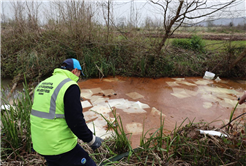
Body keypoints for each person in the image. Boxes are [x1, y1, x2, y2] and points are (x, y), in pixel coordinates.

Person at [30, 58, 103, 166]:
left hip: (40, 144)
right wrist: (91, 140)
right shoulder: (70, 86)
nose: (78, 78)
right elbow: (75, 122)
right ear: (74, 71)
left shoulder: (42, 84)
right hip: (58, 145)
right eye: (79, 74)